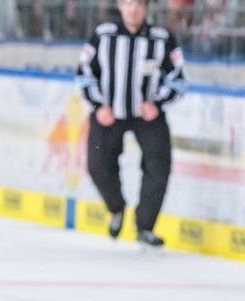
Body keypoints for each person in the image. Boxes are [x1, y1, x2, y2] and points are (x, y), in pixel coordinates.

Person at [78, 0, 186, 246]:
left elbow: (178, 77)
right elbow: (84, 72)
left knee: (159, 167)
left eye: (138, 4)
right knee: (97, 164)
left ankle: (145, 227)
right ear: (120, 6)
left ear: (145, 8)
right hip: (108, 113)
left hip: (148, 115)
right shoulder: (103, 35)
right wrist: (98, 105)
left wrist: (157, 104)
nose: (133, 9)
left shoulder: (161, 38)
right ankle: (116, 207)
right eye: (127, 3)